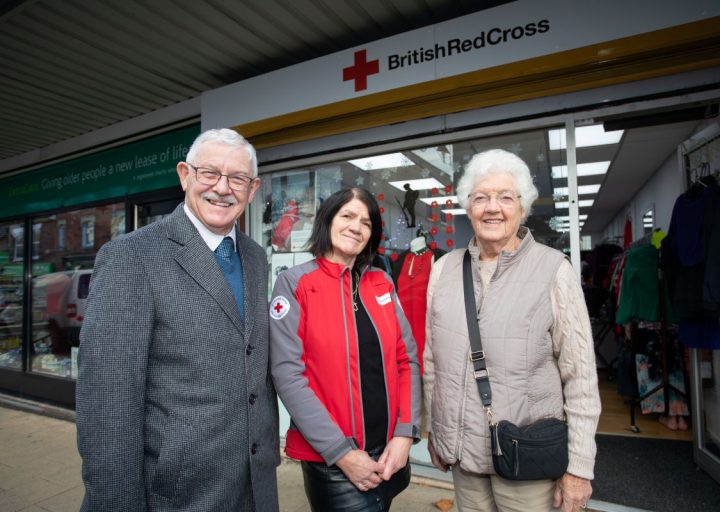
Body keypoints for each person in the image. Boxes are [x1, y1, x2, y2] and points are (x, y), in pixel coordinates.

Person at [76, 128, 279, 511]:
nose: (223, 188)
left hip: (255, 483)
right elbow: (107, 405)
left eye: (237, 178)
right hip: (177, 492)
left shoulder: (254, 255)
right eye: (210, 173)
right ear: (185, 175)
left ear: (253, 189)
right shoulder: (132, 257)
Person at [423, 149, 600, 512]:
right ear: (468, 207)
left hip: (528, 459)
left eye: (505, 197)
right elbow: (432, 362)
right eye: (481, 198)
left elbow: (580, 375)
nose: (493, 208)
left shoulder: (554, 270)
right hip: (464, 458)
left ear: (522, 207)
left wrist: (579, 467)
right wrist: (437, 434)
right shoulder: (444, 270)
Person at [270, 187, 421, 511]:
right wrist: (342, 453)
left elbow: (406, 360)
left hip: (391, 454)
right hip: (334, 464)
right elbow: (287, 375)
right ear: (328, 220)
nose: (356, 227)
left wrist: (405, 434)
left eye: (366, 222)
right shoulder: (296, 283)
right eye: (348, 216)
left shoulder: (382, 282)